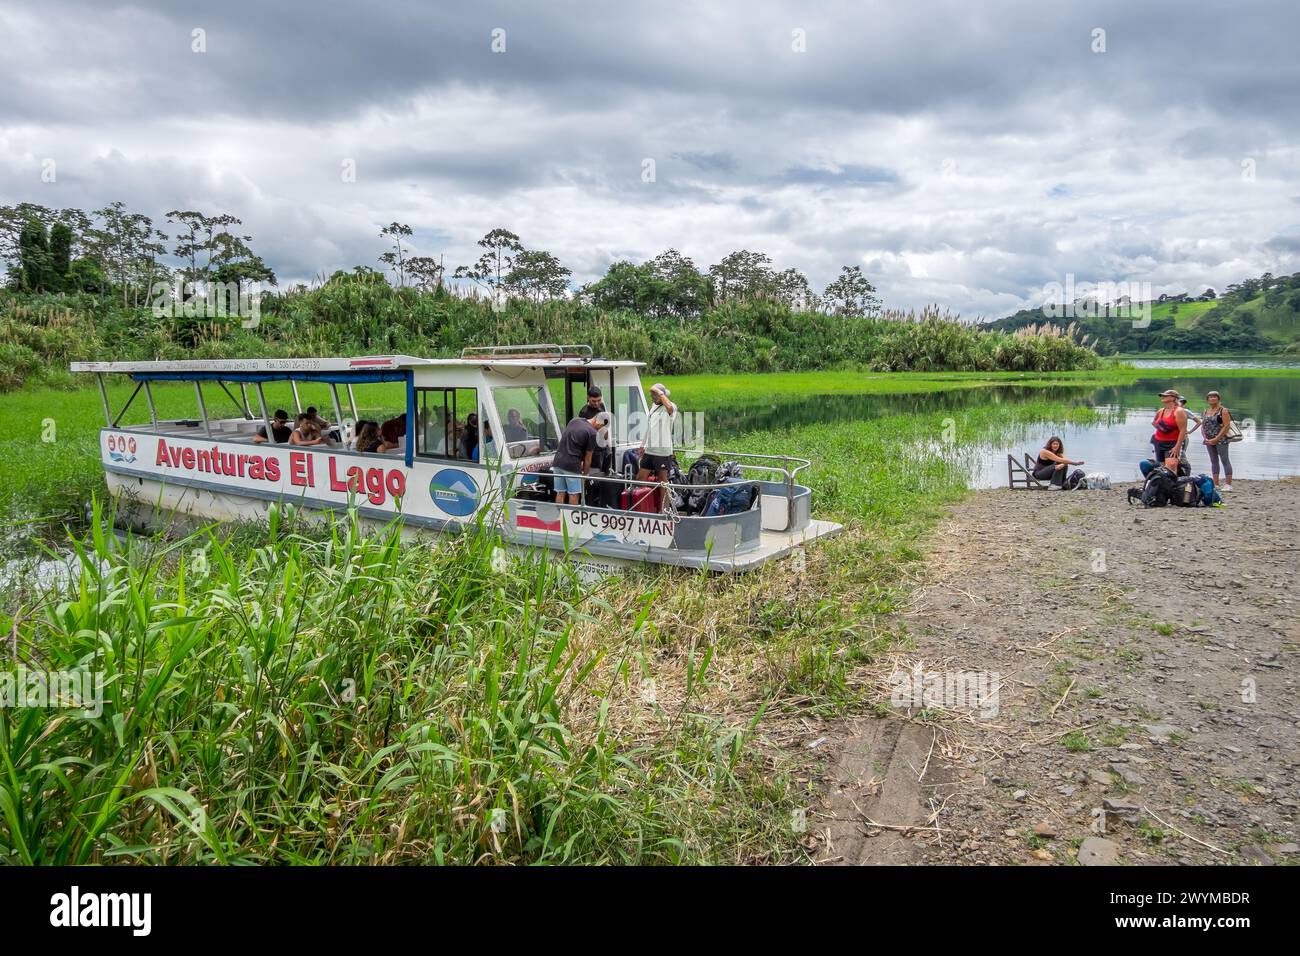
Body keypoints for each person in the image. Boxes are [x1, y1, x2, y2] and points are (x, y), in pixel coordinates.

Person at [551, 411, 611, 505]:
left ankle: (560, 517)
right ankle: (571, 519)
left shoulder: (574, 420)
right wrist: (586, 475)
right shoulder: (592, 433)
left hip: (557, 462)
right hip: (572, 465)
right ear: (599, 422)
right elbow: (588, 458)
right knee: (574, 494)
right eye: (601, 427)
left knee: (560, 492)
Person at [636, 382, 676, 484]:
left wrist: (659, 393)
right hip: (649, 449)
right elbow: (649, 427)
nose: (653, 398)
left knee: (662, 481)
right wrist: (642, 444)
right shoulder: (654, 406)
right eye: (652, 396)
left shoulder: (671, 406)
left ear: (662, 395)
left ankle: (665, 501)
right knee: (640, 478)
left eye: (655, 396)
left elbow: (669, 408)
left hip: (662, 451)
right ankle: (640, 499)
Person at [1200, 390, 1235, 491]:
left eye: (1215, 397)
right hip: (1209, 440)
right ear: (1207, 400)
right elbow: (1203, 426)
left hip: (1221, 440)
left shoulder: (1223, 411)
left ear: (1218, 399)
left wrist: (1217, 438)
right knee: (1214, 461)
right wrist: (1205, 438)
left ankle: (1228, 485)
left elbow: (1226, 426)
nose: (1212, 398)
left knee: (1225, 460)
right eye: (1210, 397)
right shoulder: (1205, 411)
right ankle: (1216, 484)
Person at [1151, 389, 1188, 472]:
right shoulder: (1161, 411)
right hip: (1159, 442)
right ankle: (1164, 484)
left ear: (1173, 398)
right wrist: (1163, 430)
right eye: (1162, 395)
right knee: (1162, 468)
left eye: (1165, 395)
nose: (1162, 397)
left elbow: (1183, 430)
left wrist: (1177, 447)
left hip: (1172, 443)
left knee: (1171, 466)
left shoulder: (1178, 411)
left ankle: (1175, 483)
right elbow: (1154, 423)